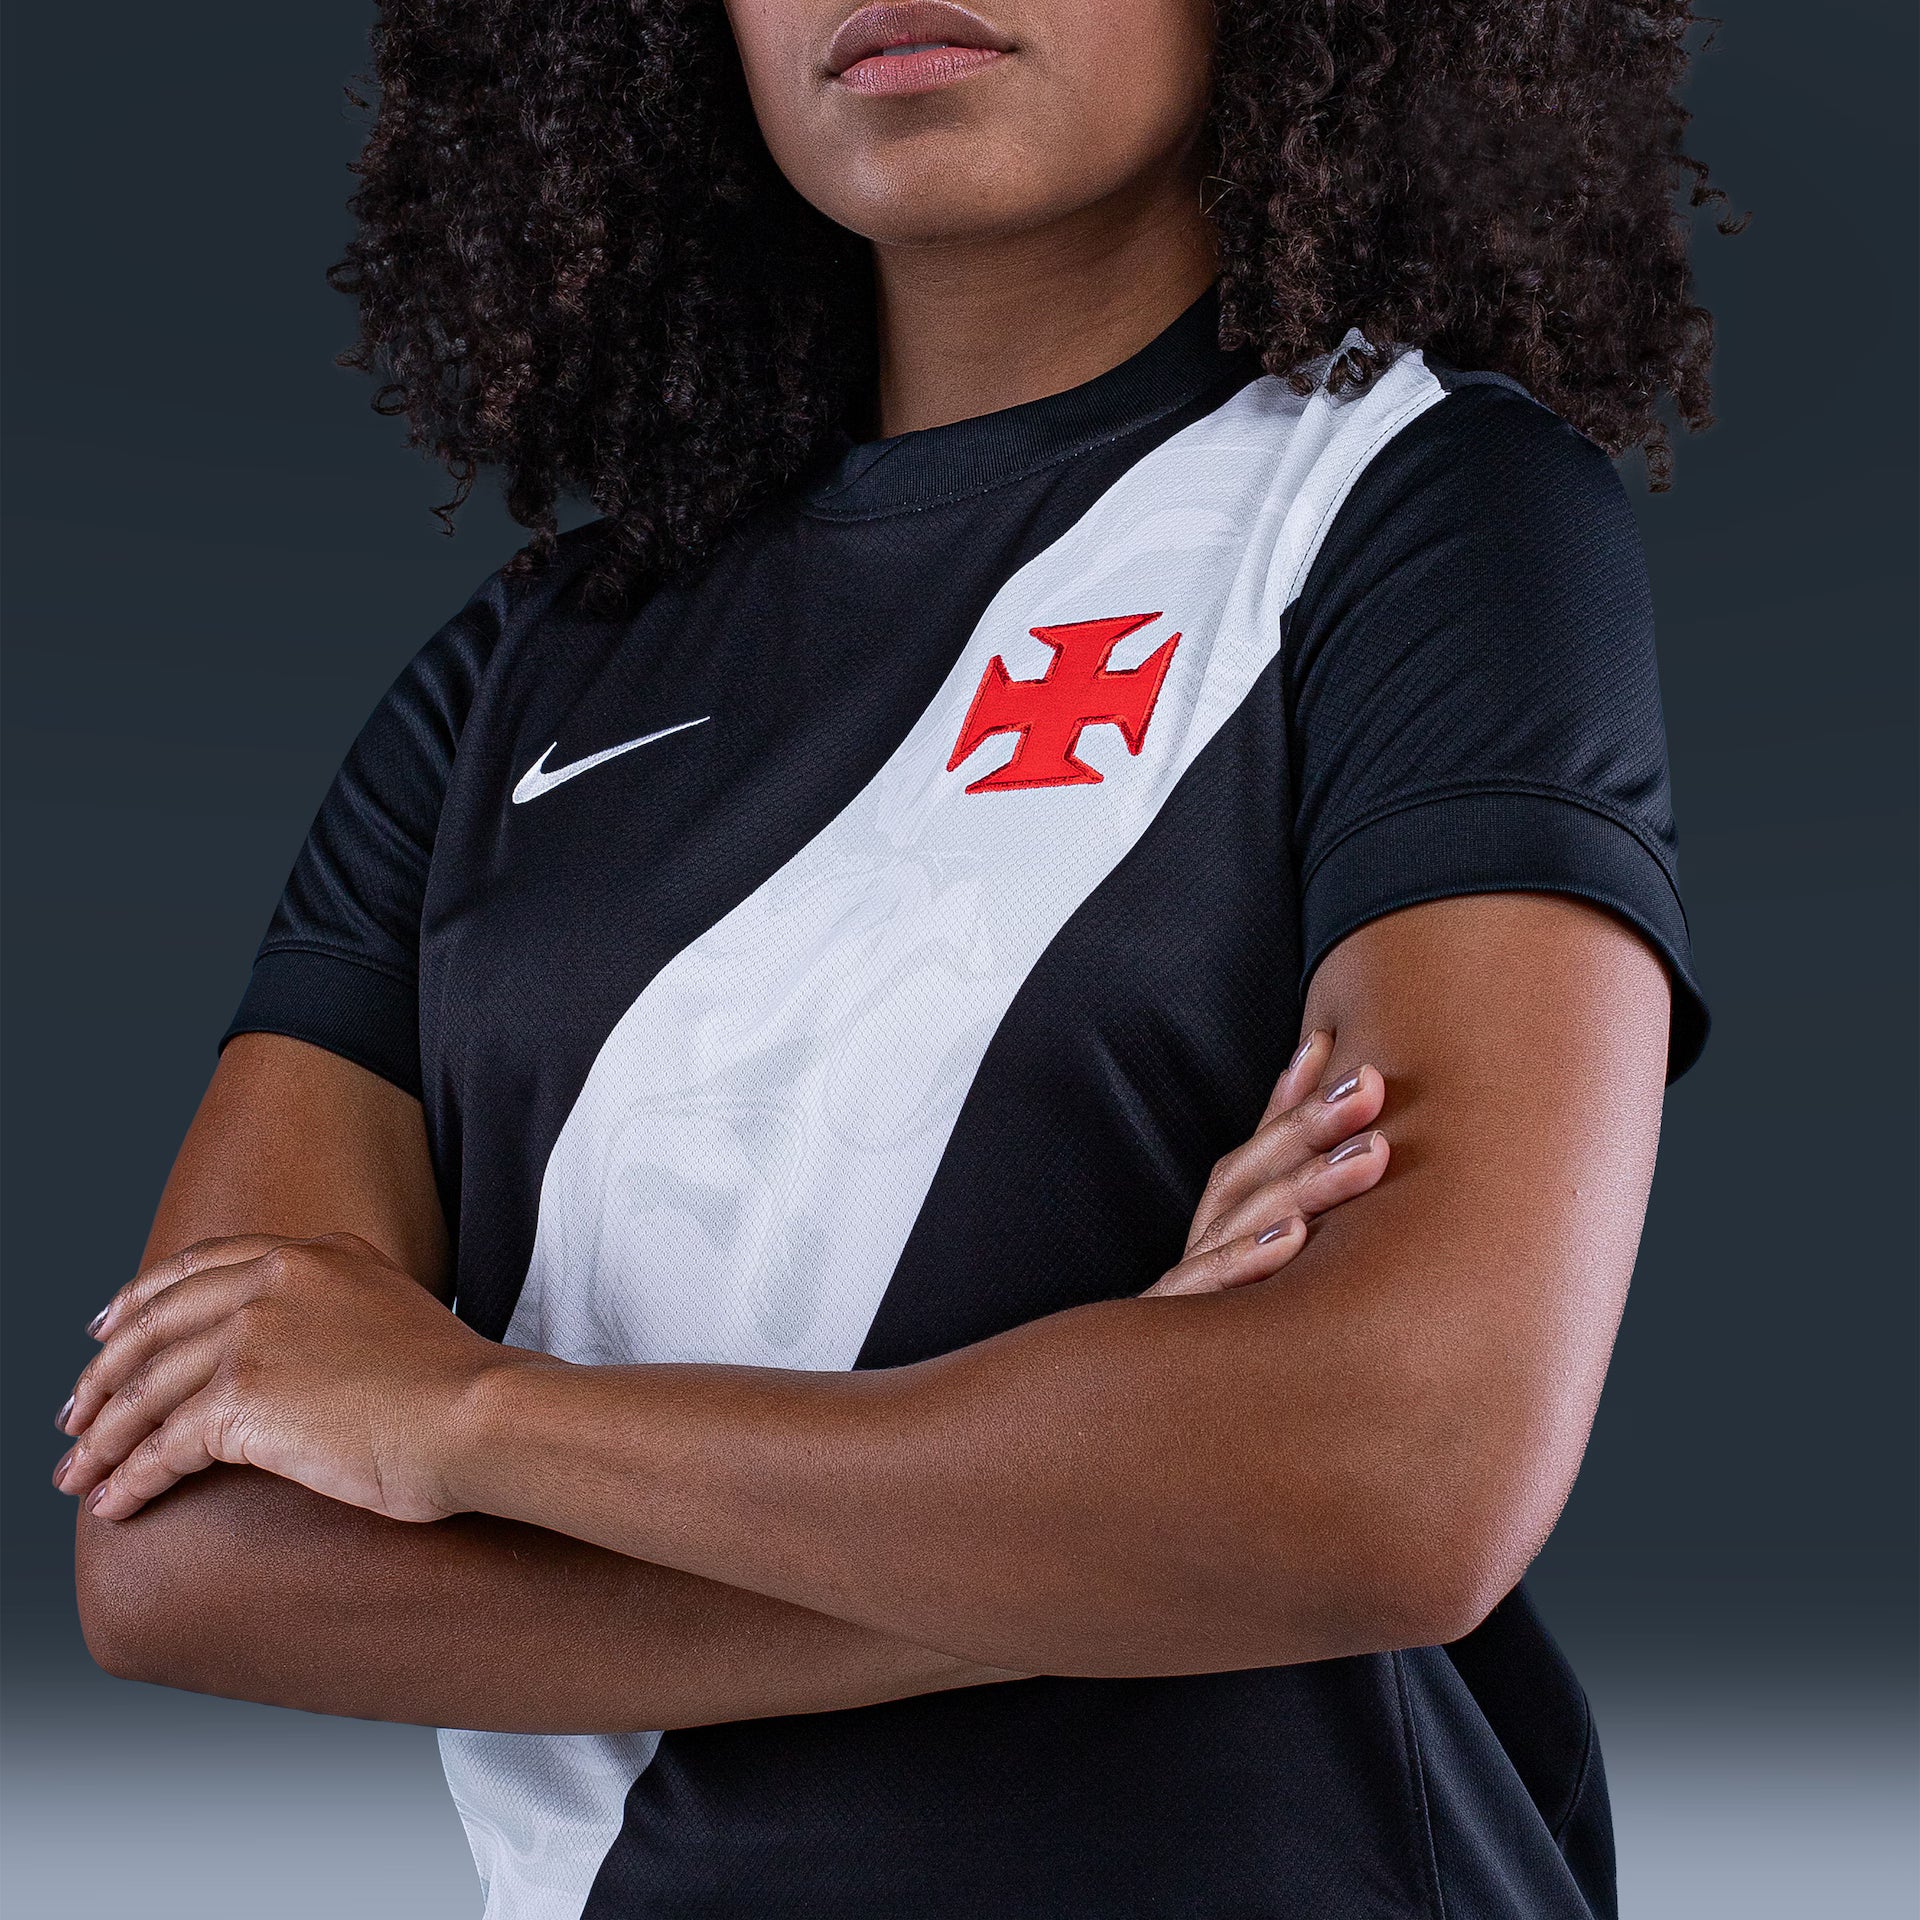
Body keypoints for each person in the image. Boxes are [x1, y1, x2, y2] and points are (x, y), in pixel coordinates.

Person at [55, 0, 1724, 1914]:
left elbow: (1399, 1471)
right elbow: (181, 1544)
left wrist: (462, 1419)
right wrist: (1125, 1531)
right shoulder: (522, 673)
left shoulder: (1421, 518)